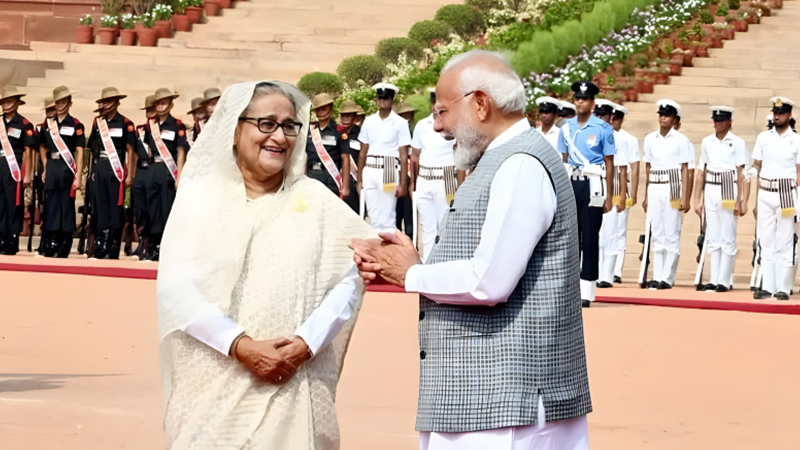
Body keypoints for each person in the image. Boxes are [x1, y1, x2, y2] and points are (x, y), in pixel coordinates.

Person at [351, 50, 591, 450]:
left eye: (443, 111)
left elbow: (489, 281)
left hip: (502, 403)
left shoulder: (519, 164)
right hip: (484, 401)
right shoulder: (502, 159)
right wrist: (412, 263)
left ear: (481, 103)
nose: (438, 125)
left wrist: (409, 274)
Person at [157, 80, 373, 449]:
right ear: (235, 129)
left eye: (290, 125)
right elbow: (176, 290)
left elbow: (353, 275)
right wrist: (240, 345)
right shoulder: (201, 199)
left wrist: (305, 343)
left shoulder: (317, 201)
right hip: (214, 382)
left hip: (292, 380)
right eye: (267, 123)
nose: (280, 136)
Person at [557, 81, 615, 307]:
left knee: (590, 236)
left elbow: (610, 162)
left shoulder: (603, 129)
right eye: (577, 98)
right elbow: (563, 160)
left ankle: (587, 289)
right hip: (572, 182)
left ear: (592, 103)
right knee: (571, 237)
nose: (580, 101)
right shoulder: (565, 128)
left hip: (593, 183)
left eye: (585, 98)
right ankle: (569, 288)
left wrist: (609, 195)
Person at [692, 106, 747, 292]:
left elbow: (742, 173)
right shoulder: (707, 142)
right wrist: (696, 198)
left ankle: (725, 279)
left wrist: (742, 199)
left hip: (728, 187)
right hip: (711, 187)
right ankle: (714, 278)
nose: (716, 123)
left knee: (728, 235)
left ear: (729, 122)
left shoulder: (738, 143)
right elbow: (701, 171)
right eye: (715, 120)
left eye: (721, 120)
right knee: (713, 235)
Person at [751, 96, 800, 300]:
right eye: (775, 112)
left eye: (781, 113)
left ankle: (783, 286)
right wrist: (754, 198)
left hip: (786, 192)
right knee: (766, 239)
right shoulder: (764, 137)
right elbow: (756, 165)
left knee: (785, 240)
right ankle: (768, 286)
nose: (777, 116)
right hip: (766, 191)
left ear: (789, 115)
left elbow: (799, 172)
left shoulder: (796, 139)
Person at [642, 99, 692, 289]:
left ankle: (667, 277)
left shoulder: (681, 140)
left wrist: (685, 197)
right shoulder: (650, 139)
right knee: (658, 231)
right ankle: (657, 274)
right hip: (655, 184)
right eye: (661, 114)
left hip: (673, 186)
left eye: (667, 115)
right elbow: (648, 167)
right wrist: (647, 195)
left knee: (671, 232)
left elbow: (686, 169)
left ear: (674, 119)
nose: (663, 118)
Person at [138, 87, 190, 261]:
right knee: (152, 209)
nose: (160, 106)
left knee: (166, 209)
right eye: (158, 103)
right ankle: (153, 244)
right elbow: (148, 150)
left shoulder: (177, 125)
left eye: (164, 102)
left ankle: (165, 245)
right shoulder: (150, 126)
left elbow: (181, 151)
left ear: (171, 104)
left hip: (169, 171)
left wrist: (179, 176)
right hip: (153, 170)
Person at [86, 87, 137, 259]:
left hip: (116, 170)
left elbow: (130, 150)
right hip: (100, 166)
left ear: (117, 102)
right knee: (100, 206)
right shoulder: (97, 122)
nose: (106, 104)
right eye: (104, 101)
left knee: (115, 208)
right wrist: (92, 171)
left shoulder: (126, 123)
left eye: (110, 101)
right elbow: (92, 149)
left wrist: (130, 174)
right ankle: (102, 243)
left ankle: (114, 244)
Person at [410, 88, 457, 261]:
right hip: (424, 179)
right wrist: (412, 185)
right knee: (427, 227)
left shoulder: (454, 123)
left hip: (446, 179)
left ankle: (444, 263)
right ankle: (429, 264)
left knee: (445, 225)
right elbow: (414, 156)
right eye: (434, 102)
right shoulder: (422, 125)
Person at [356, 83, 411, 230]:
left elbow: (404, 155)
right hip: (370, 168)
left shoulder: (400, 123)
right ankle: (376, 251)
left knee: (387, 216)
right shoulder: (369, 121)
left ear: (392, 100)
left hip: (388, 168)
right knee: (373, 216)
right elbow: (363, 151)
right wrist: (359, 179)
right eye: (380, 98)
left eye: (386, 98)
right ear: (376, 100)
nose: (382, 101)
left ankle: (388, 251)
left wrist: (404, 183)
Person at [38, 85, 84, 258]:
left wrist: (78, 175)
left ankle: (64, 243)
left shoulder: (76, 124)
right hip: (53, 165)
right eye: (58, 101)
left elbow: (79, 151)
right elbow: (42, 146)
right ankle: (51, 243)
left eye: (64, 101)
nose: (60, 104)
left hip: (68, 167)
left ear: (69, 103)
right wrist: (45, 165)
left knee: (66, 205)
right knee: (51, 205)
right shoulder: (48, 124)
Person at [594, 99, 627, 288]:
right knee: (597, 233)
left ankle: (608, 275)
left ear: (611, 117)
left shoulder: (617, 138)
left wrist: (620, 195)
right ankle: (596, 273)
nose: (600, 119)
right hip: (595, 186)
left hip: (611, 188)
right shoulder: (590, 135)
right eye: (597, 115)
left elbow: (622, 170)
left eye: (604, 116)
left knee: (611, 233)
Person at [0, 86, 36, 255]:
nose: (5, 105)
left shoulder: (24, 124)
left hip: (14, 168)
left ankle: (11, 239)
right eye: (3, 102)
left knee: (12, 204)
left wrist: (28, 174)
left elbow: (29, 151)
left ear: (16, 103)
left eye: (9, 101)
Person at [609, 103, 640, 283]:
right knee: (605, 230)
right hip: (607, 184)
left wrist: (633, 193)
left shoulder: (629, 139)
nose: (613, 121)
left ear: (621, 120)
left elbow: (634, 167)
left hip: (622, 186)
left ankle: (617, 269)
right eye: (611, 118)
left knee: (619, 230)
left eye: (616, 118)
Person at [306, 93, 350, 199]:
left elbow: (345, 158)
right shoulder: (309, 130)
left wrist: (346, 186)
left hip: (331, 177)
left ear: (330, 108)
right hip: (311, 176)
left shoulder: (339, 131)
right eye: (318, 109)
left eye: (324, 108)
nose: (321, 112)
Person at [132, 94, 156, 260]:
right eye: (148, 109)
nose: (151, 112)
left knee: (154, 210)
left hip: (155, 172)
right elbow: (133, 153)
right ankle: (142, 242)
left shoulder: (162, 130)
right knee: (141, 209)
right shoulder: (140, 130)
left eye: (153, 109)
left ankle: (151, 243)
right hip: (141, 172)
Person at [395, 102, 416, 239]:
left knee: (409, 213)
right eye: (403, 117)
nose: (407, 120)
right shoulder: (393, 135)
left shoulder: (415, 134)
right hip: (394, 177)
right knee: (395, 212)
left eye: (409, 117)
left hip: (410, 179)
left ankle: (411, 240)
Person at [338, 100, 361, 212]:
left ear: (355, 116)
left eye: (349, 115)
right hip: (338, 180)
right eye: (343, 115)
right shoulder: (336, 132)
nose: (346, 118)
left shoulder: (362, 134)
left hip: (356, 181)